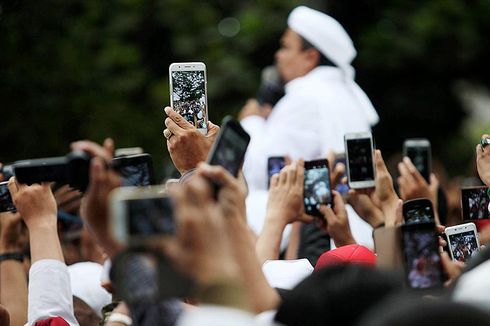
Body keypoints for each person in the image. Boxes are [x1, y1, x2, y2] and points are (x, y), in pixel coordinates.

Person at [240, 5, 379, 191]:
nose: (278, 55)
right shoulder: (344, 94)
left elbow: (262, 174)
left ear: (310, 57)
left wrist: (251, 121)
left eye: (285, 47)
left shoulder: (304, 97)